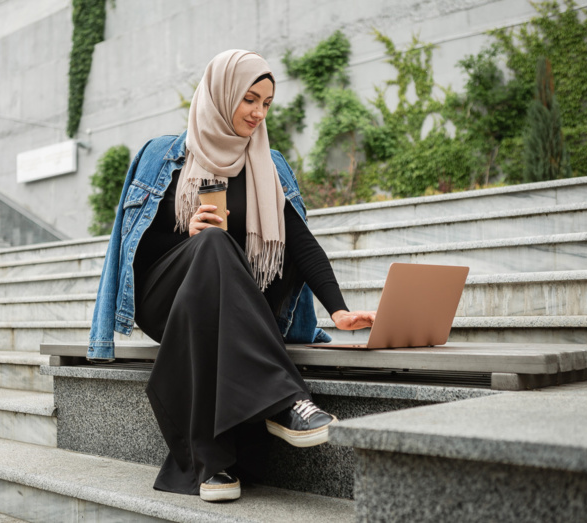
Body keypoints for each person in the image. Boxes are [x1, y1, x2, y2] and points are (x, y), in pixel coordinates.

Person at [87, 49, 376, 502]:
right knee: (213, 243)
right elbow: (132, 250)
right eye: (250, 99)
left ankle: (212, 465)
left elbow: (300, 243)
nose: (259, 113)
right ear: (221, 94)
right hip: (165, 297)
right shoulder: (162, 155)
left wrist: (338, 310)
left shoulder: (267, 164)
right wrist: (186, 235)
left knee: (218, 266)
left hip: (229, 304)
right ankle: (284, 402)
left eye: (267, 103)